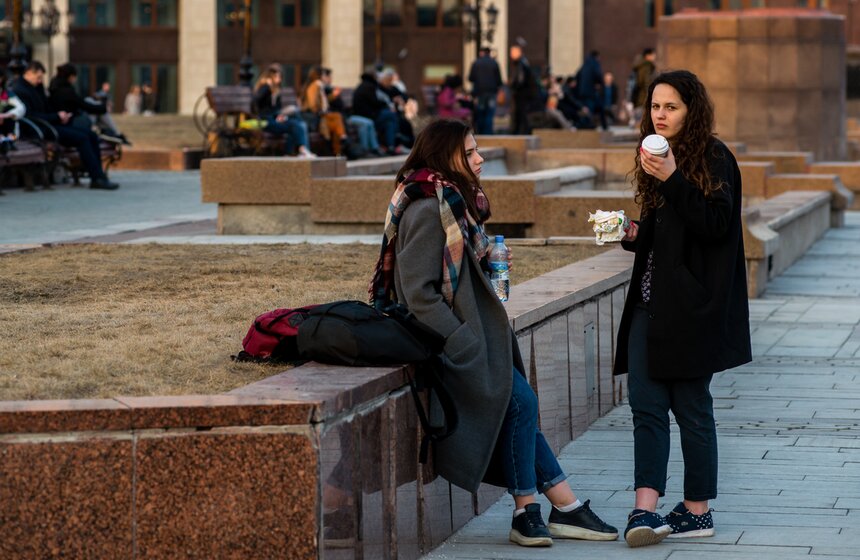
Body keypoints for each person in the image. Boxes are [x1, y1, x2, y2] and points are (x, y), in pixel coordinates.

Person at [369, 118, 618, 548]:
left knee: (517, 405)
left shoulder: (453, 204)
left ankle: (558, 506)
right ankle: (534, 509)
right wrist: (461, 339)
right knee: (519, 402)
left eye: (477, 150)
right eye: (469, 153)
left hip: (474, 337)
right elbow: (417, 293)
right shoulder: (430, 207)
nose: (479, 159)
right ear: (443, 156)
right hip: (452, 343)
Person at [613, 70, 751, 547]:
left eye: (670, 107)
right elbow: (665, 234)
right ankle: (644, 510)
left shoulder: (713, 157)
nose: (660, 115)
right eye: (655, 106)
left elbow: (715, 224)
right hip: (649, 305)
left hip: (692, 309)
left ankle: (697, 510)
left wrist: (671, 177)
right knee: (646, 409)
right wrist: (632, 233)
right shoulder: (655, 157)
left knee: (691, 410)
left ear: (692, 110)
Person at [11, 60, 119, 190]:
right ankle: (96, 178)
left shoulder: (36, 87)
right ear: (28, 73)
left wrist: (60, 115)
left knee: (90, 135)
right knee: (82, 138)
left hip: (50, 125)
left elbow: (46, 107)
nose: (40, 81)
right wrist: (56, 116)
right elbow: (30, 115)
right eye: (38, 77)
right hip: (39, 130)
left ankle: (100, 176)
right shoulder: (20, 90)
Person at [48, 64, 129, 145]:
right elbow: (85, 106)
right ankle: (115, 133)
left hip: (68, 120)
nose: (75, 80)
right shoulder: (66, 90)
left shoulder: (56, 87)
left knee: (91, 101)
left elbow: (81, 104)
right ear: (71, 76)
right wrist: (103, 107)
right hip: (72, 122)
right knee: (95, 107)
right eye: (75, 77)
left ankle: (110, 132)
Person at [253, 63, 315, 158]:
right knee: (296, 124)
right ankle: (302, 150)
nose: (279, 79)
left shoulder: (276, 90)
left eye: (280, 76)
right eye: (276, 76)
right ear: (270, 77)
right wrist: (267, 88)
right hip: (266, 122)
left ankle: (289, 152)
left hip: (274, 119)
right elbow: (255, 103)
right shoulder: (265, 88)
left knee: (299, 123)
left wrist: (280, 116)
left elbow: (277, 109)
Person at [300, 66, 350, 156]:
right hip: (317, 117)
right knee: (337, 117)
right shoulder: (315, 85)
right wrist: (320, 111)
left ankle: (338, 151)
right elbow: (313, 104)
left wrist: (333, 96)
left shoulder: (319, 85)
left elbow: (323, 101)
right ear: (319, 75)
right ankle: (341, 140)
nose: (324, 76)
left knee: (336, 124)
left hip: (322, 116)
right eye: (323, 74)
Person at [352, 72, 405, 155]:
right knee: (391, 114)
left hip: (371, 114)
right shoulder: (369, 87)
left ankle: (391, 147)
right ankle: (396, 135)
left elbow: (402, 95)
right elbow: (375, 102)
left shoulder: (365, 85)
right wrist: (387, 105)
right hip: (368, 115)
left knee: (389, 123)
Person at [468, 46, 503, 135]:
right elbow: (499, 80)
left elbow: (471, 78)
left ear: (481, 53)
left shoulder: (476, 63)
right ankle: (488, 133)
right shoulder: (494, 63)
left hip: (480, 93)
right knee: (489, 114)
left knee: (480, 113)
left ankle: (480, 132)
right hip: (491, 92)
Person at [508, 41, 537, 135]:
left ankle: (520, 132)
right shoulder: (523, 63)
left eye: (513, 52)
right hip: (523, 94)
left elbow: (520, 80)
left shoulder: (521, 64)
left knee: (520, 114)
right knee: (521, 115)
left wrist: (513, 86)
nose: (511, 54)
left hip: (521, 94)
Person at [631, 48, 657, 125]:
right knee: (641, 120)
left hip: (639, 95)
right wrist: (650, 93)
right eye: (653, 55)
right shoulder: (646, 66)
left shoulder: (641, 65)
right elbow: (645, 82)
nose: (654, 57)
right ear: (647, 56)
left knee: (640, 118)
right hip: (643, 96)